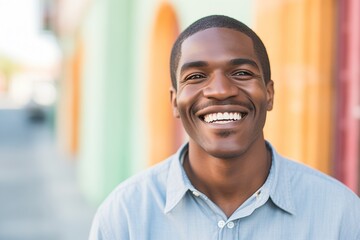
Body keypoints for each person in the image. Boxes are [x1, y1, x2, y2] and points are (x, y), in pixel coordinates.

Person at [89, 15, 360, 239]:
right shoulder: (124, 216)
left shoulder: (341, 215)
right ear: (174, 102)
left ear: (269, 94)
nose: (220, 91)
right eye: (196, 76)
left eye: (241, 73)